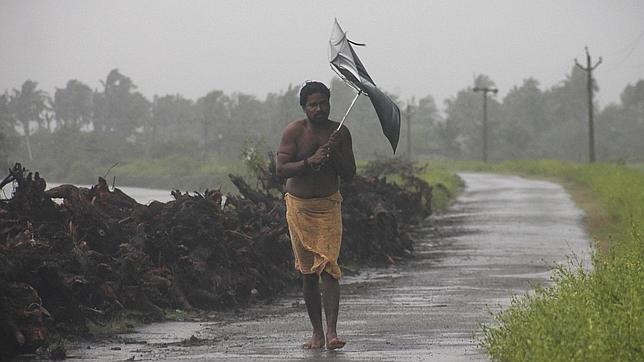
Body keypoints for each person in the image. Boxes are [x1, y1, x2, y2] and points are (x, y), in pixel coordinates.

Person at [276, 81, 356, 350]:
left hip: (328, 207)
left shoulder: (340, 132)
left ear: (329, 104)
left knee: (329, 267)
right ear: (304, 107)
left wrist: (334, 156)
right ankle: (316, 334)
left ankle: (332, 333)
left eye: (323, 103)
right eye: (313, 104)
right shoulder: (294, 132)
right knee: (309, 272)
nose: (319, 108)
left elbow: (350, 174)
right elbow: (281, 168)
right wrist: (310, 161)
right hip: (298, 208)